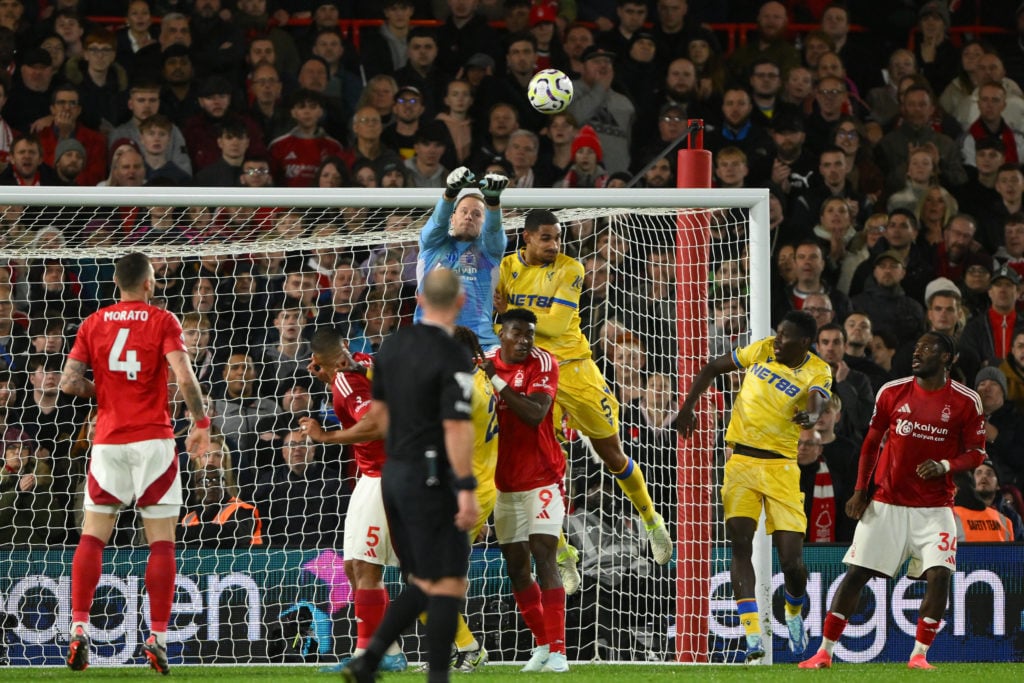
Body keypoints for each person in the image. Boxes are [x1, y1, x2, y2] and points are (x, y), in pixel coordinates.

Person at [58, 252, 211, 675]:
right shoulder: (163, 320)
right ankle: (157, 637)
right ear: (149, 283)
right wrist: (201, 423)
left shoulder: (92, 323)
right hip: (154, 442)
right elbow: (183, 375)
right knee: (161, 541)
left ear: (115, 282)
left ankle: (79, 627)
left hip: (108, 441)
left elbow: (69, 382)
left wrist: (104, 394)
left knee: (93, 536)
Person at [799, 331, 986, 671]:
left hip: (935, 507)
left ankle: (918, 656)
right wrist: (861, 491)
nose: (918, 354)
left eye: (927, 349)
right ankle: (824, 651)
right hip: (887, 502)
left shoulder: (965, 401)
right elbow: (871, 444)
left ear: (947, 358)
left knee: (941, 575)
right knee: (855, 575)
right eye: (916, 348)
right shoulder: (892, 391)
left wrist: (945, 465)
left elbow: (976, 453)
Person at [495, 209, 672, 566]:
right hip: (532, 373)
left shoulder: (570, 268)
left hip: (575, 371)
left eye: (557, 238)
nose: (554, 245)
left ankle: (652, 520)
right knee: (540, 465)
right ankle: (562, 552)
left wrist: (510, 308)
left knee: (611, 452)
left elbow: (557, 325)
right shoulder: (504, 269)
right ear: (526, 237)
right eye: (546, 238)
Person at [340, 268, 478, 683]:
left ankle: (369, 658)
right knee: (448, 581)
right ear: (459, 304)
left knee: (423, 580)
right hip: (432, 473)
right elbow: (456, 426)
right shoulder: (453, 355)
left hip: (393, 476)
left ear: (419, 301)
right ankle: (437, 676)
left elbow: (379, 418)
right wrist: (467, 488)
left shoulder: (393, 347)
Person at [677, 310, 831, 661]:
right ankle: (752, 636)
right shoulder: (761, 350)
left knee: (792, 562)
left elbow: (818, 397)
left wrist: (811, 414)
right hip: (741, 463)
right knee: (740, 543)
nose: (777, 340)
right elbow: (713, 367)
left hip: (780, 470)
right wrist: (687, 406)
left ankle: (793, 609)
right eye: (777, 333)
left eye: (785, 337)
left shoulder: (817, 370)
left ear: (804, 342)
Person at [298, 330, 408, 673]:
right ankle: (388, 651)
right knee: (353, 567)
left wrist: (325, 436)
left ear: (316, 362)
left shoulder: (346, 381)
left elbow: (377, 425)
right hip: (373, 475)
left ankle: (368, 656)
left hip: (386, 475)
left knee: (365, 568)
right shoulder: (362, 364)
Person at [481, 308, 568, 673]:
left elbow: (534, 414)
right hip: (503, 484)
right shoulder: (483, 363)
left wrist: (498, 384)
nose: (525, 340)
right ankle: (543, 646)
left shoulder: (543, 362)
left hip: (542, 477)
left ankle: (560, 653)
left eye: (530, 334)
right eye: (517, 333)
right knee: (516, 568)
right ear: (501, 333)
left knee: (543, 553)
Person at [416, 166, 507, 348]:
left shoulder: (490, 252)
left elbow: (494, 231)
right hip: (430, 342)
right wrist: (450, 193)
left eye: (477, 214)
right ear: (452, 218)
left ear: (484, 221)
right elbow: (436, 224)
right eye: (463, 211)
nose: (468, 217)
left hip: (480, 345)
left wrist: (493, 202)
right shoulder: (432, 246)